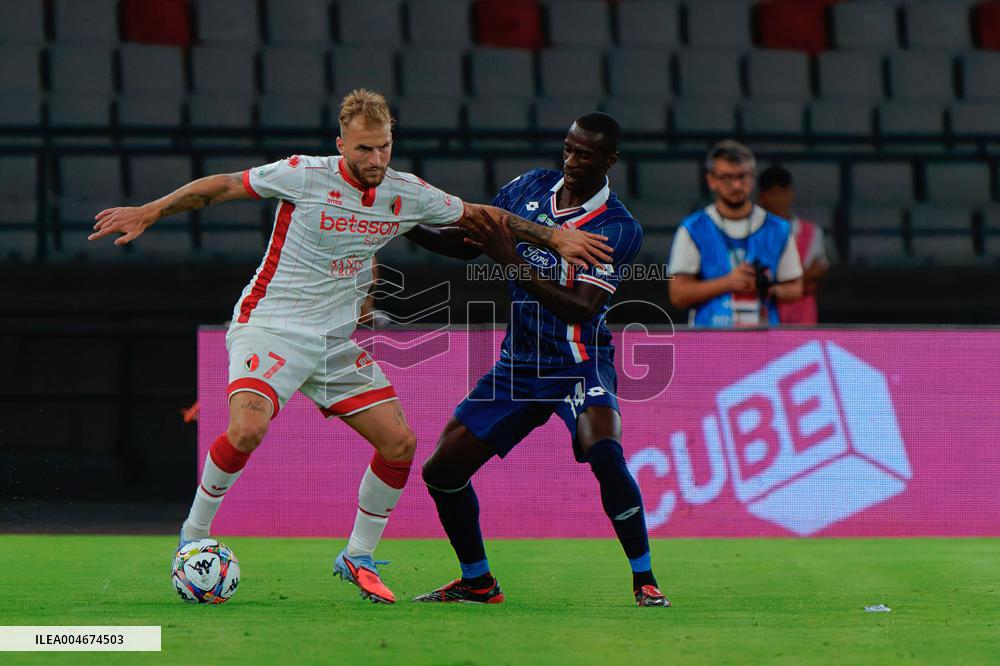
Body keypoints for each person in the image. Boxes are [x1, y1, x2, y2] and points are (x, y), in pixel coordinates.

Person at [88, 89, 611, 605]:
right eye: (363, 149)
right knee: (247, 429)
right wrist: (149, 211)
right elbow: (222, 186)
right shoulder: (304, 174)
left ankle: (357, 556)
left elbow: (480, 217)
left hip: (335, 341)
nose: (375, 159)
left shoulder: (405, 191)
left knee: (400, 444)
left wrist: (555, 238)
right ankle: (193, 533)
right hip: (272, 324)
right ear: (341, 145)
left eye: (383, 146)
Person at [413, 113, 670, 608]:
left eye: (586, 154)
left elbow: (580, 306)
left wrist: (509, 256)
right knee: (441, 472)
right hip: (519, 366)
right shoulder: (529, 187)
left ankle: (645, 579)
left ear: (610, 161)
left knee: (605, 453)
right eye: (569, 149)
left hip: (578, 361)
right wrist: (401, 225)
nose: (572, 161)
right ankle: (478, 582)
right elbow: (467, 245)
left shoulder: (618, 227)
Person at [668, 141, 803, 327]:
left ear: (753, 178)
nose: (736, 185)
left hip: (764, 343)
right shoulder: (693, 228)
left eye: (743, 177)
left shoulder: (778, 228)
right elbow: (678, 295)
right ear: (711, 180)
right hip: (708, 343)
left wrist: (767, 289)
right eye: (727, 178)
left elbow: (795, 288)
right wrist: (730, 282)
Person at [756, 164, 830, 325]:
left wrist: (782, 284)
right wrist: (801, 280)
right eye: (772, 194)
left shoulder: (812, 232)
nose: (778, 199)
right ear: (762, 197)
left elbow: (819, 272)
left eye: (783, 193)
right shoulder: (753, 233)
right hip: (766, 312)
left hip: (802, 313)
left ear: (791, 194)